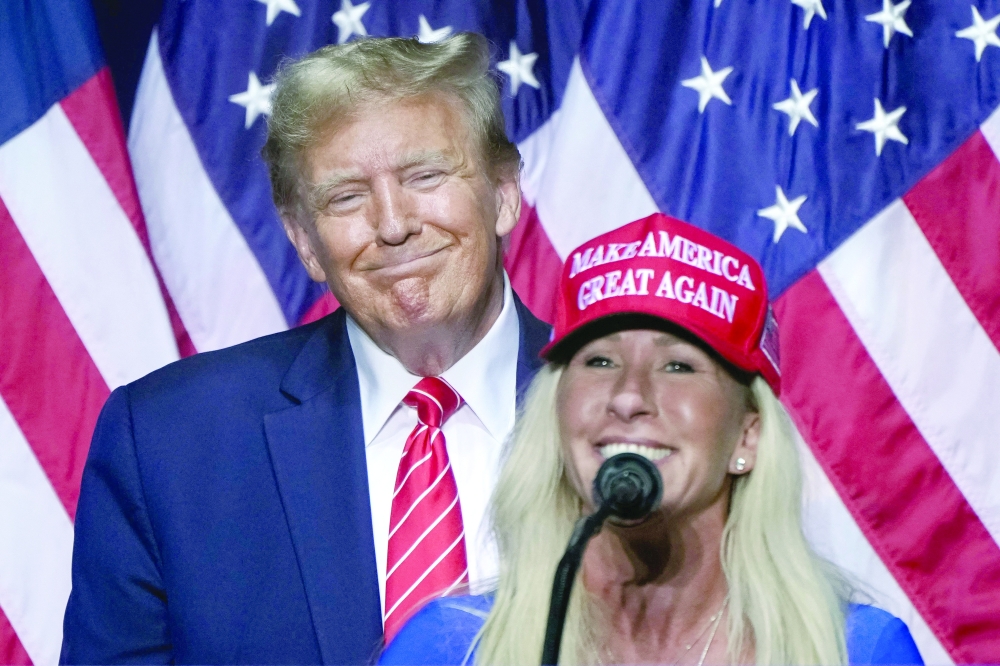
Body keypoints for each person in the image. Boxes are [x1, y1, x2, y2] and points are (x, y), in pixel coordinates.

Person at [61, 34, 551, 664]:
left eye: (424, 175)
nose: (394, 223)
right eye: (346, 196)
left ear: (504, 192)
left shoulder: (620, 413)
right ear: (304, 241)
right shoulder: (169, 442)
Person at [379, 213, 923, 665]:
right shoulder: (446, 649)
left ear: (748, 434)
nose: (629, 395)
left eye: (679, 366)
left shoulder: (856, 651)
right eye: (600, 360)